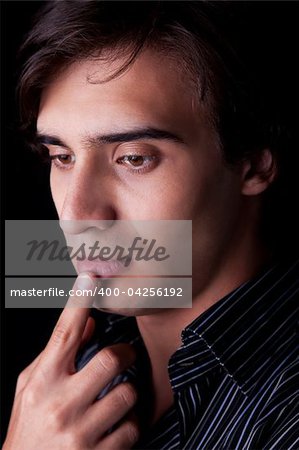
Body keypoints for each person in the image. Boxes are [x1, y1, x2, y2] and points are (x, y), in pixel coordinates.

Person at [3, 1, 298, 449]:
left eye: (134, 158)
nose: (77, 214)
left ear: (253, 165)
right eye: (62, 157)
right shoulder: (77, 372)